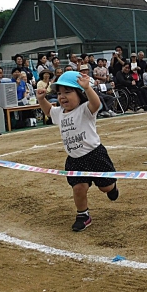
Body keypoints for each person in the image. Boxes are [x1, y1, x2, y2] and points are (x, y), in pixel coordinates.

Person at [36, 71, 118, 232]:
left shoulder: (85, 110)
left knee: (105, 188)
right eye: (59, 93)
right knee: (78, 188)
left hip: (95, 155)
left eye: (68, 92)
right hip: (75, 159)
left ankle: (112, 187)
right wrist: (41, 99)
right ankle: (83, 215)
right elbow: (48, 112)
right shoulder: (59, 112)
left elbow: (96, 104)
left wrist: (87, 88)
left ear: (79, 94)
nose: (62, 96)